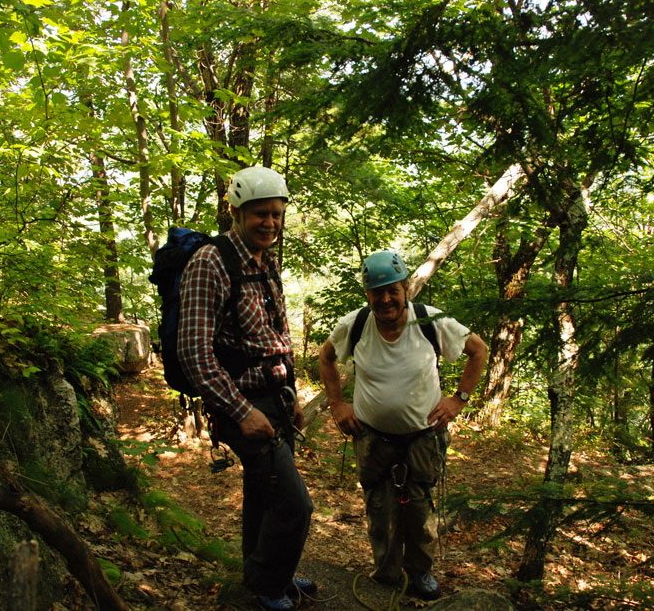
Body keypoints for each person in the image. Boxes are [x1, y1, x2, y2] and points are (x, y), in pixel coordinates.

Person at [177, 165, 315, 611]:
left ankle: (267, 567)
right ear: (235, 211)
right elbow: (193, 352)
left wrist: (290, 392)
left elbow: (279, 331)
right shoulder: (211, 262)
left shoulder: (266, 259)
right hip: (241, 401)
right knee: (294, 504)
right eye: (260, 214)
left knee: (265, 491)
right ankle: (269, 587)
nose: (270, 223)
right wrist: (239, 412)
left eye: (276, 214)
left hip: (274, 397)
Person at [318, 251, 488, 600]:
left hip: (423, 437)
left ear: (406, 288)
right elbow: (326, 357)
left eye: (392, 290)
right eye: (376, 292)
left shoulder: (430, 321)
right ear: (367, 294)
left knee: (420, 507)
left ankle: (421, 572)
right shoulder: (357, 323)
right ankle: (386, 575)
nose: (385, 299)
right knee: (379, 508)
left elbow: (478, 350)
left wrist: (459, 400)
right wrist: (337, 404)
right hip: (372, 437)